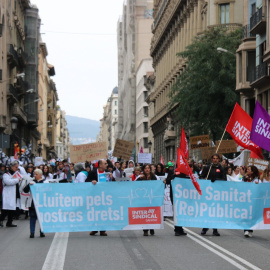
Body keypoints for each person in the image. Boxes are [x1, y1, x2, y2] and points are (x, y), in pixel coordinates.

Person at [200, 154, 226, 236]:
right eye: (213, 158)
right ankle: (205, 227)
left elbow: (224, 179)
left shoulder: (221, 168)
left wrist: (216, 180)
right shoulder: (207, 167)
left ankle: (215, 229)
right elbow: (201, 177)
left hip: (217, 193)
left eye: (216, 158)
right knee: (207, 211)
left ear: (219, 160)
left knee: (215, 211)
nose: (215, 160)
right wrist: (206, 180)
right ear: (212, 159)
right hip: (208, 193)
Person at [86, 159, 113, 236]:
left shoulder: (108, 173)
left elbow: (111, 184)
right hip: (95, 196)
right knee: (95, 212)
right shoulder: (93, 172)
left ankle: (102, 230)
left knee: (103, 213)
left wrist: (112, 178)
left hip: (105, 196)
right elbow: (86, 181)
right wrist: (92, 181)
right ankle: (94, 229)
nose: (107, 165)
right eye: (105, 163)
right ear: (100, 165)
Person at [165, 162, 187, 236]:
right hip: (174, 194)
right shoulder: (172, 170)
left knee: (182, 211)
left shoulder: (185, 170)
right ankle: (177, 229)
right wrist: (172, 177)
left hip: (183, 194)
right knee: (176, 211)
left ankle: (180, 228)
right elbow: (167, 181)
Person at [23, 169, 46, 238]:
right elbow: (25, 190)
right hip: (33, 203)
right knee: (32, 217)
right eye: (34, 174)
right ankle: (32, 232)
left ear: (40, 175)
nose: (35, 176)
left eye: (36, 174)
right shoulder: (32, 182)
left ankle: (42, 231)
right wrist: (29, 185)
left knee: (42, 219)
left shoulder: (45, 182)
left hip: (42, 203)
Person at [137, 164, 157, 236]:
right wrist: (140, 179)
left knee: (151, 214)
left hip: (151, 198)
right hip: (144, 199)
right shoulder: (141, 177)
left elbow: (156, 185)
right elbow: (135, 185)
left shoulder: (153, 177)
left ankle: (152, 228)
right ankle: (145, 230)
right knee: (145, 214)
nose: (147, 170)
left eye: (148, 168)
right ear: (143, 170)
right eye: (145, 168)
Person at [0, 160, 21, 228]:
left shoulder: (16, 174)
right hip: (8, 194)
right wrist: (17, 180)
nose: (16, 168)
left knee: (12, 209)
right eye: (15, 167)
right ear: (11, 167)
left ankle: (9, 222)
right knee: (6, 210)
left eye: (17, 167)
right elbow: (8, 182)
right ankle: (1, 220)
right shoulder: (6, 174)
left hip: (14, 193)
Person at [242, 165, 260, 238]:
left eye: (249, 169)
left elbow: (260, 188)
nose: (247, 171)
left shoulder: (258, 179)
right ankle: (246, 229)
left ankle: (250, 229)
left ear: (252, 171)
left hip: (254, 200)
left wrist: (257, 185)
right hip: (246, 199)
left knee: (252, 215)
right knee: (246, 214)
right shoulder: (244, 178)